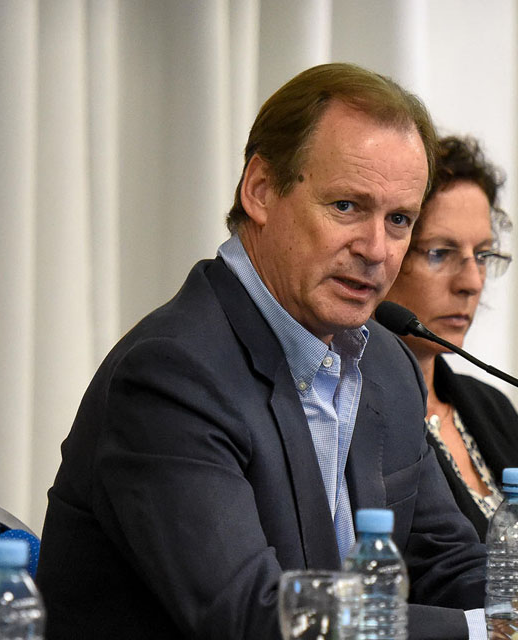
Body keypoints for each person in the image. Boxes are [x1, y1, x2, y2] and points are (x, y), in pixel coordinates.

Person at [36, 63, 487, 640]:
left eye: (399, 220)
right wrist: (484, 632)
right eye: (346, 206)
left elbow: (448, 564)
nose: (376, 249)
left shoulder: (385, 365)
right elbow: (250, 617)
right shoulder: (172, 377)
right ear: (261, 190)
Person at [384, 135, 518, 541]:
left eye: (482, 255)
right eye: (441, 253)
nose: (472, 282)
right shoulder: (355, 416)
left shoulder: (492, 407)